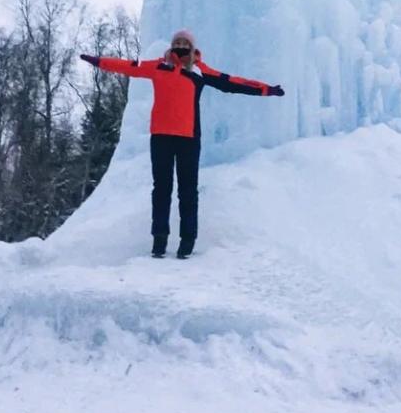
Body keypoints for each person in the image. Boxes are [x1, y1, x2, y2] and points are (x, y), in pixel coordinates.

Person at [80, 29, 284, 259]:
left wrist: (266, 89)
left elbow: (232, 83)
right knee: (161, 190)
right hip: (161, 137)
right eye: (176, 42)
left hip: (188, 138)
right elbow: (128, 66)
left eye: (184, 42)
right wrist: (99, 61)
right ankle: (159, 240)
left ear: (192, 47)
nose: (180, 45)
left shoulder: (199, 71)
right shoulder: (158, 66)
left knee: (188, 191)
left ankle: (187, 241)